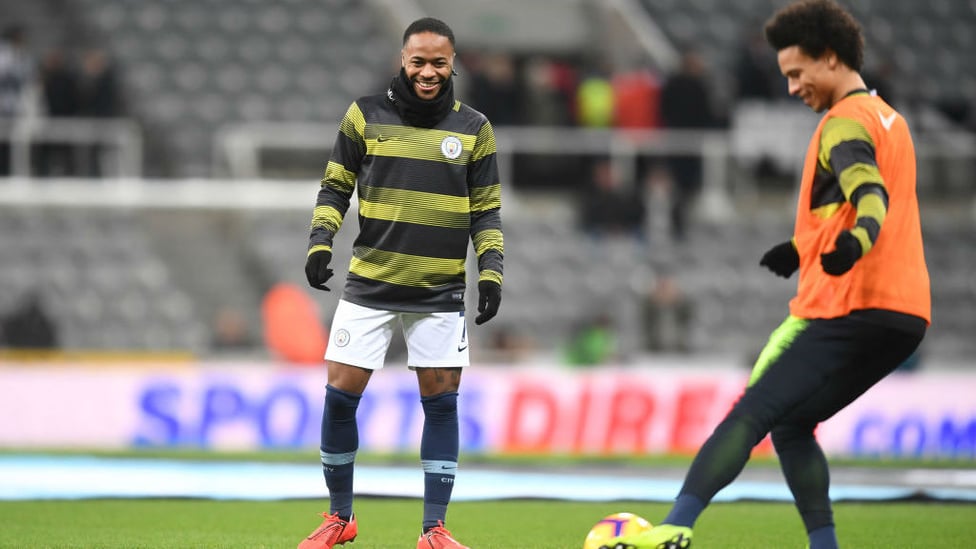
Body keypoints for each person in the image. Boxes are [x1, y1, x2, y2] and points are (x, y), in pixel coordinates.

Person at [601, 2, 930, 548]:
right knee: (793, 426)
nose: (792, 87)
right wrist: (805, 247)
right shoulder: (888, 118)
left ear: (829, 59)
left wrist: (854, 243)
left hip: (848, 307)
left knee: (752, 412)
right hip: (904, 314)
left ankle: (675, 528)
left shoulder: (843, 121)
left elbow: (868, 194)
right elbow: (861, 201)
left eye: (797, 73)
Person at [299, 17, 503, 549]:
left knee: (440, 404)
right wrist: (321, 242)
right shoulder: (364, 115)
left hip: (439, 292)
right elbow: (334, 187)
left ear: (453, 62)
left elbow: (486, 211)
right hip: (370, 283)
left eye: (439, 62)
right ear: (403, 60)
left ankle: (434, 530)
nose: (429, 72)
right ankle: (340, 518)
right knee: (340, 397)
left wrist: (492, 272)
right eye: (419, 61)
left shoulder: (475, 128)